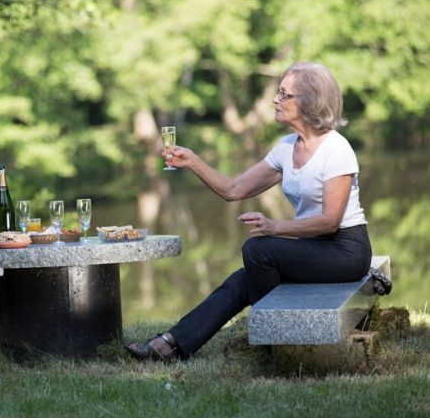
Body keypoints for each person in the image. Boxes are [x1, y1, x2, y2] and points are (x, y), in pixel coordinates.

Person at [126, 62, 372, 361]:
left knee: (258, 250)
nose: (275, 100)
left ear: (309, 101)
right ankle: (172, 345)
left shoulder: (337, 149)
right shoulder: (285, 148)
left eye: (284, 94)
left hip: (345, 251)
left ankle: (273, 338)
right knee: (243, 279)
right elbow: (234, 190)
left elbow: (330, 222)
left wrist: (274, 227)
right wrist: (193, 162)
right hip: (311, 249)